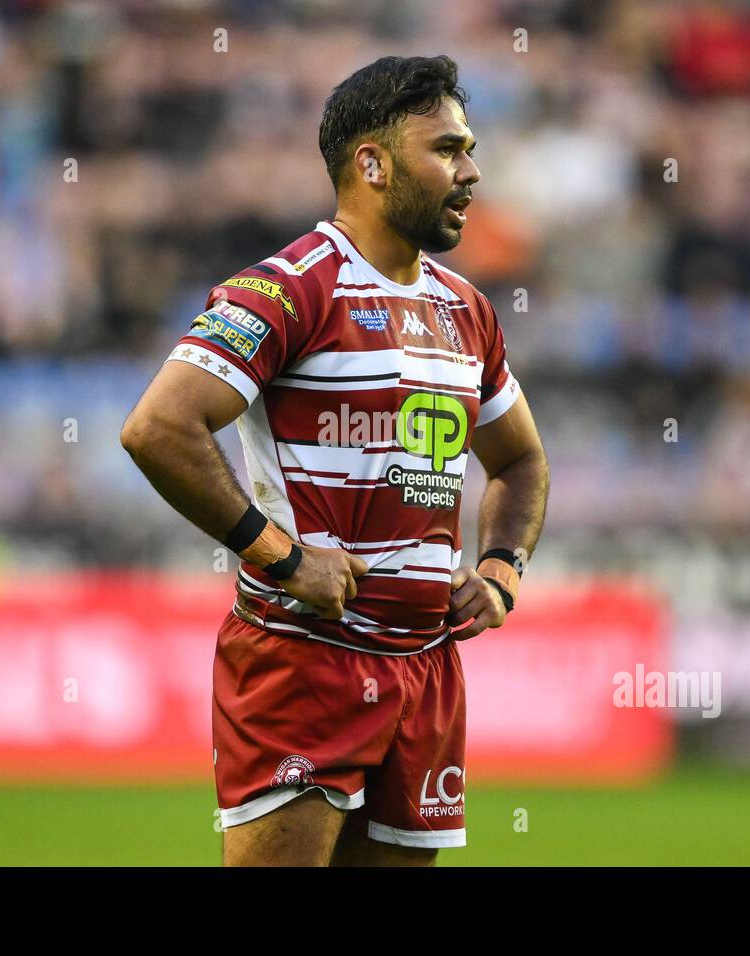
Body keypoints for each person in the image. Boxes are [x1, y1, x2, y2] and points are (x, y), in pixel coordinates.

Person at [120, 54, 549, 866]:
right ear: (372, 164)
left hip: (426, 671)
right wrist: (279, 558)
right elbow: (159, 427)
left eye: (469, 148)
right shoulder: (286, 291)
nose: (472, 170)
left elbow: (522, 460)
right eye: (448, 150)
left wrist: (501, 569)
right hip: (303, 661)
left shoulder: (468, 312)